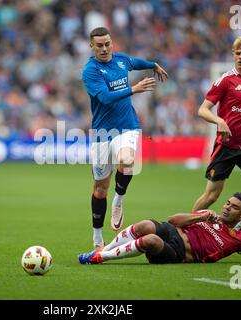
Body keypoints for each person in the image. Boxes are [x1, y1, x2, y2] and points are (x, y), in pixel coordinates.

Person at [81, 27, 168, 248]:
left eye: (107, 43)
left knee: (127, 160)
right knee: (100, 187)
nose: (104, 48)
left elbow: (135, 62)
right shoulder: (90, 71)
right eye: (99, 45)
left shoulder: (120, 60)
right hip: (103, 133)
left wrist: (152, 65)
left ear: (112, 43)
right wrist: (134, 88)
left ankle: (119, 200)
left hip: (127, 126)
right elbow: (106, 98)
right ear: (92, 47)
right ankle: (97, 237)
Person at [78, 192, 241, 265]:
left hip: (178, 254)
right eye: (227, 204)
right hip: (173, 232)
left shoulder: (239, 239)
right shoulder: (207, 216)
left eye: (234, 207)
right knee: (146, 224)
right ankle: (102, 249)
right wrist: (199, 217)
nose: (227, 208)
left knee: (151, 240)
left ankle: (100, 258)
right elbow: (173, 220)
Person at [192, 36, 241, 231]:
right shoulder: (226, 80)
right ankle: (184, 228)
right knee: (212, 195)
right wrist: (219, 120)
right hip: (226, 146)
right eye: (238, 54)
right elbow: (202, 109)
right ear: (233, 56)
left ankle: (234, 227)